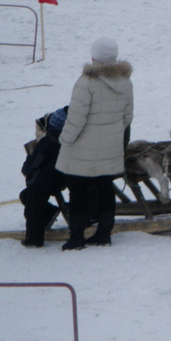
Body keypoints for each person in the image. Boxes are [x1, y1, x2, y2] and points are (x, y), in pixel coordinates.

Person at [56, 38, 134, 250]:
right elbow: (127, 117)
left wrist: (65, 139)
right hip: (110, 146)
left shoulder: (86, 82)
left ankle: (76, 238)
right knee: (105, 187)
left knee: (78, 191)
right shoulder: (125, 81)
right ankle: (103, 234)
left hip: (82, 147)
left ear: (94, 57)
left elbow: (76, 118)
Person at [19, 106, 69, 247]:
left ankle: (33, 239)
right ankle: (49, 213)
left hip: (43, 182)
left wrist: (28, 167)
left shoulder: (48, 142)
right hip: (63, 178)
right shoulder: (69, 142)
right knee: (25, 196)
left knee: (33, 206)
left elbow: (32, 164)